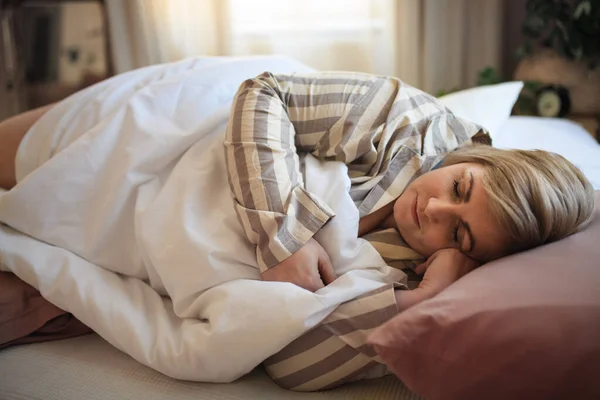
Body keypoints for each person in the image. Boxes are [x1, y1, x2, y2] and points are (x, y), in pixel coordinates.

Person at [0, 71, 595, 391]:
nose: (433, 213)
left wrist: (420, 302)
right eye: (459, 189)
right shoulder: (408, 120)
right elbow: (265, 94)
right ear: (478, 160)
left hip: (155, 240)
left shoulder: (421, 272)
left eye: (460, 235)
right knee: (33, 165)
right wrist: (282, 236)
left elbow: (292, 365)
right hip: (174, 129)